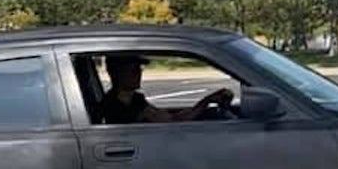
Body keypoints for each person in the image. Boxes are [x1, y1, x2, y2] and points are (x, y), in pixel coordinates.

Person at [98, 54, 235, 125]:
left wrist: (206, 103)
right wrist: (206, 101)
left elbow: (170, 117)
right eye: (133, 70)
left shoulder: (135, 99)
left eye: (139, 69)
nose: (139, 73)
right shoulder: (117, 106)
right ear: (117, 73)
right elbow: (173, 122)